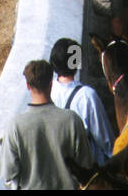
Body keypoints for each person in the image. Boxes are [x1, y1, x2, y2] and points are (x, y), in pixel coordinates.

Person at [0, 59, 94, 190]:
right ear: (51, 84)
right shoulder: (72, 120)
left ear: (27, 85)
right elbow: (86, 167)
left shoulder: (15, 126)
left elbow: (7, 174)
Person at [49, 37, 116, 165]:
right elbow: (104, 138)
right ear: (76, 63)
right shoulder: (87, 95)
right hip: (87, 171)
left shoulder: (47, 91)